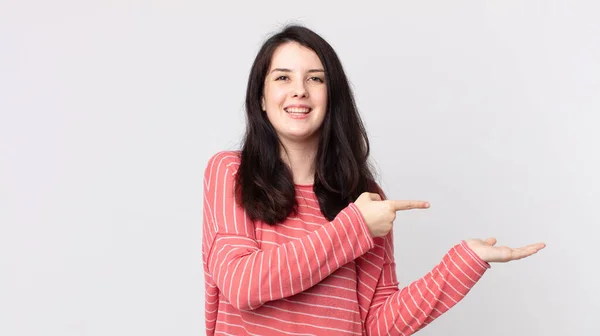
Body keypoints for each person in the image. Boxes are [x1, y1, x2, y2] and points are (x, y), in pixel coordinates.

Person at [201, 24, 545, 335]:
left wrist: (462, 262)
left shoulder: (364, 199)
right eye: (282, 78)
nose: (299, 91)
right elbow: (241, 284)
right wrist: (355, 228)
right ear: (261, 98)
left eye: (315, 79)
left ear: (332, 97)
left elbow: (378, 324)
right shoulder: (231, 172)